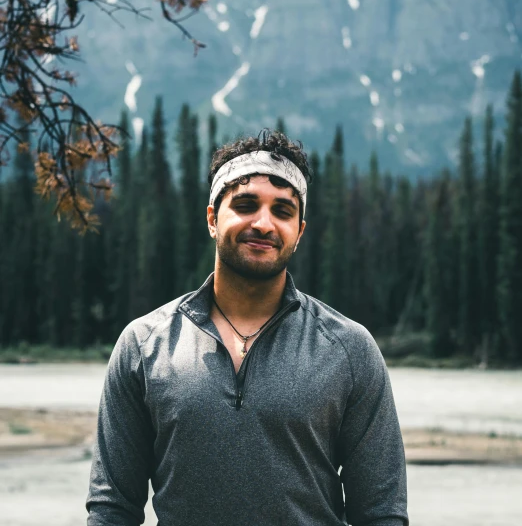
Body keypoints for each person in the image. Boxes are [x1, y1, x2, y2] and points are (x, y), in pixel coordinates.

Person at [87, 130, 408, 526]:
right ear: (212, 219)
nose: (264, 223)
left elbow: (381, 513)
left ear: (300, 231)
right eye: (245, 204)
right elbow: (111, 510)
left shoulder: (349, 349)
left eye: (283, 211)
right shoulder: (143, 344)